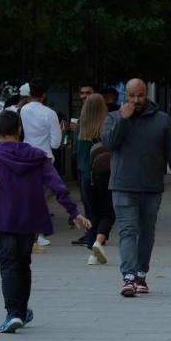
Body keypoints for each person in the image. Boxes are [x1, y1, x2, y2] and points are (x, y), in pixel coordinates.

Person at [0, 110, 91, 333]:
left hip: (3, 217)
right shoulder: (37, 156)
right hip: (30, 218)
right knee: (23, 264)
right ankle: (22, 310)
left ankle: (13, 312)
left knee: (8, 265)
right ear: (20, 130)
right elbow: (57, 185)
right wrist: (74, 212)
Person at [102, 78, 171, 297]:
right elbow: (110, 144)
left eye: (140, 95)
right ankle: (128, 276)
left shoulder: (161, 120)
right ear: (125, 96)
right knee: (127, 230)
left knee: (147, 232)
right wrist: (123, 119)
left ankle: (141, 273)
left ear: (146, 95)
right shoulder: (113, 117)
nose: (136, 100)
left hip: (151, 187)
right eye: (131, 95)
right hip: (122, 185)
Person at [19, 80, 64, 251]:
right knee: (41, 198)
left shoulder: (23, 110)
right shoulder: (50, 113)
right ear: (44, 94)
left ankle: (27, 232)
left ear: (30, 93)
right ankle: (39, 235)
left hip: (26, 157)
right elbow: (55, 143)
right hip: (44, 158)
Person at [77, 94, 114, 266]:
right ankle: (98, 243)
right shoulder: (106, 126)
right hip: (104, 174)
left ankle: (92, 249)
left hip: (86, 176)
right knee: (108, 212)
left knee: (92, 213)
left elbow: (75, 154)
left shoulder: (80, 128)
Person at [70, 83, 97, 246]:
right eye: (82, 92)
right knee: (88, 202)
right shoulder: (79, 113)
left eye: (88, 92)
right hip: (82, 164)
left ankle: (94, 234)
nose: (84, 96)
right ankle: (94, 233)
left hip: (91, 166)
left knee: (91, 203)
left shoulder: (97, 116)